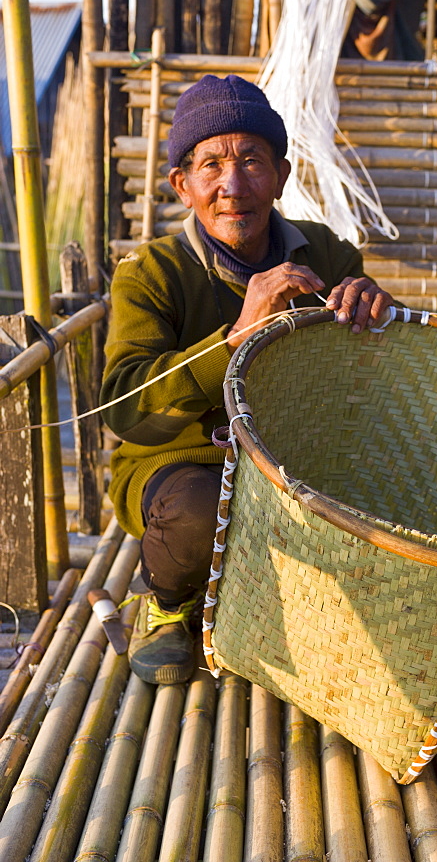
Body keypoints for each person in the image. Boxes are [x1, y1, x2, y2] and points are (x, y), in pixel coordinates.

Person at [101, 74, 394, 684]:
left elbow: (361, 387)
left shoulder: (330, 258)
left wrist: (368, 318)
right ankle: (168, 604)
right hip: (181, 465)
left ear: (281, 177)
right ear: (182, 186)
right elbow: (127, 411)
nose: (232, 186)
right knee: (198, 513)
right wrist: (235, 336)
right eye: (211, 164)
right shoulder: (150, 272)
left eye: (252, 161)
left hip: (296, 457)